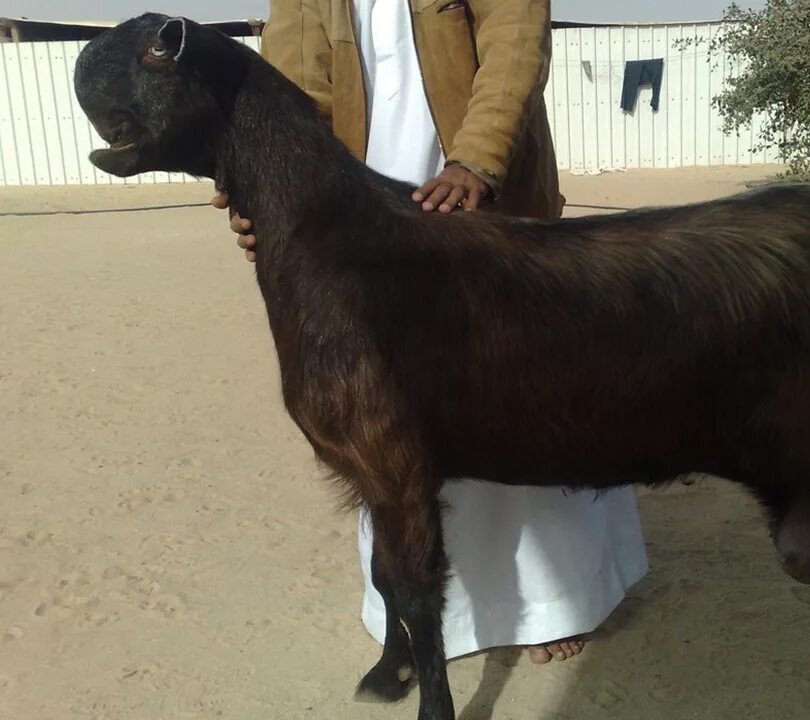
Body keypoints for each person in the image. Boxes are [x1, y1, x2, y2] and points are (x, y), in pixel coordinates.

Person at [212, 0, 649, 665]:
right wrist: (267, 195)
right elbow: (292, 80)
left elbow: (514, 39)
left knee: (521, 396)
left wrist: (476, 159)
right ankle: (421, 604)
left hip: (477, 190)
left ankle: (556, 600)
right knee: (384, 412)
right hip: (355, 205)